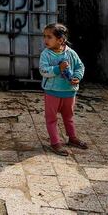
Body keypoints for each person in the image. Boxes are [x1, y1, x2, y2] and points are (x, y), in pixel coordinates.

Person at [39, 23, 88, 156]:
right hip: (52, 92)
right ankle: (55, 143)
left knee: (69, 117)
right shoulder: (46, 54)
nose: (45, 40)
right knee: (51, 118)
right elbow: (43, 70)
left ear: (60, 40)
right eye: (45, 37)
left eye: (49, 37)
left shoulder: (71, 53)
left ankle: (72, 138)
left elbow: (80, 66)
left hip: (69, 91)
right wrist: (57, 69)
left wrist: (77, 77)